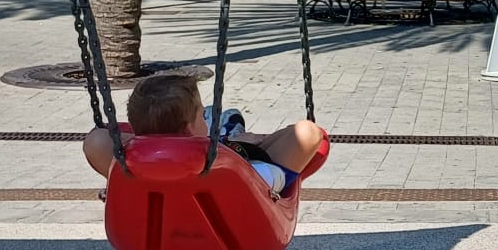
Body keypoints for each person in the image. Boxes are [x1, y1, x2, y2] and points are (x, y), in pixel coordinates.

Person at [82, 73, 325, 201]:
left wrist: (147, 139)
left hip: (150, 197)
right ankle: (234, 138)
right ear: (190, 128)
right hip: (243, 207)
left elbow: (97, 141)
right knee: (307, 133)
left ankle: (225, 138)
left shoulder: (129, 168)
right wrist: (240, 150)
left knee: (100, 139)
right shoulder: (236, 174)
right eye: (202, 114)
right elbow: (278, 176)